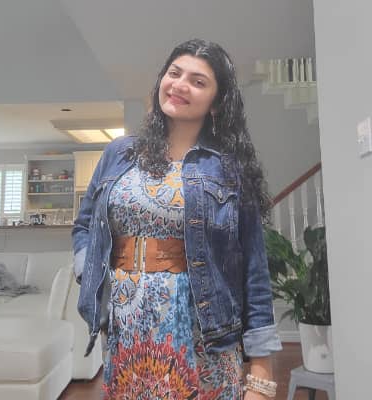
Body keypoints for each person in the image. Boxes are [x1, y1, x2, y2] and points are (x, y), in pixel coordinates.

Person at [72, 38, 282, 399]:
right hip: (127, 326)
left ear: (216, 102)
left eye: (198, 81)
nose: (180, 85)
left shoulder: (229, 168)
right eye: (174, 73)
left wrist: (261, 375)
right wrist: (90, 270)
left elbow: (254, 268)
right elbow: (85, 225)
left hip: (202, 331)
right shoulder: (119, 153)